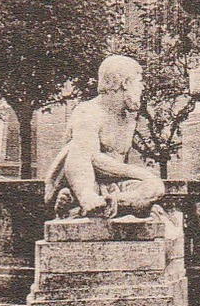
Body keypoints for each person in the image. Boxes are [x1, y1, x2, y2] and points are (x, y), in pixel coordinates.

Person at [44, 55, 166, 219]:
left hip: (111, 186)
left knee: (155, 187)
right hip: (84, 181)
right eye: (139, 81)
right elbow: (87, 158)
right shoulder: (89, 111)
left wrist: (140, 178)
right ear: (125, 83)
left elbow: (119, 163)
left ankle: (109, 205)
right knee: (78, 149)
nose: (142, 87)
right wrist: (87, 193)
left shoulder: (128, 118)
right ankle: (85, 201)